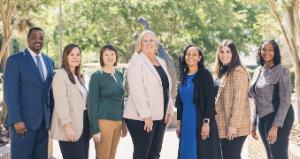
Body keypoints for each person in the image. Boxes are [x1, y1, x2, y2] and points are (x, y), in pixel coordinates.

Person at [3, 27, 54, 159]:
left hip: (43, 125)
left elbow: (49, 93)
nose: (38, 40)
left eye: (41, 38)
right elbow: (10, 93)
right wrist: (17, 120)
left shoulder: (49, 62)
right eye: (34, 37)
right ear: (27, 40)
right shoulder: (15, 60)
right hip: (23, 124)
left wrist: (51, 119)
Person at [123, 30, 173, 159]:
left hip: (159, 116)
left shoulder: (161, 61)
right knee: (142, 154)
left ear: (156, 44)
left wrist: (169, 109)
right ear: (140, 44)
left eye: (152, 40)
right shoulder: (136, 61)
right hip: (140, 117)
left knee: (155, 154)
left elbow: (165, 87)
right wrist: (146, 116)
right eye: (145, 40)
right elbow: (136, 90)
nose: (149, 43)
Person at [249, 40, 294, 159]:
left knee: (278, 155)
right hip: (262, 117)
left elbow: (285, 101)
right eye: (264, 49)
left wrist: (275, 126)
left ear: (275, 52)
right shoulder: (258, 71)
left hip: (279, 117)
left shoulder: (282, 71)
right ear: (260, 51)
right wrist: (254, 123)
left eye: (270, 50)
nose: (266, 52)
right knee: (270, 154)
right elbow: (256, 99)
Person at [175, 44, 222, 159]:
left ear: (199, 58)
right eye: (188, 54)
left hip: (200, 121)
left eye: (194, 54)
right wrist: (178, 122)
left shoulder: (204, 75)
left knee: (201, 153)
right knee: (186, 153)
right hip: (186, 123)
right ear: (184, 56)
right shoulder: (183, 76)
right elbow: (180, 103)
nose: (191, 57)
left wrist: (206, 123)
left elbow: (210, 100)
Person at [50, 44, 89, 159]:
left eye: (78, 54)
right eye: (72, 54)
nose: (75, 57)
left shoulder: (78, 77)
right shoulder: (60, 75)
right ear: (65, 57)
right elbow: (61, 102)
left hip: (83, 124)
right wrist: (67, 126)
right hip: (70, 125)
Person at [213, 40, 251, 159]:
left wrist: (233, 125)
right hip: (222, 124)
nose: (224, 55)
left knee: (231, 156)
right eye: (222, 52)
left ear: (234, 53)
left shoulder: (238, 71)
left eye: (228, 51)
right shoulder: (221, 71)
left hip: (234, 126)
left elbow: (238, 100)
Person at [88, 44, 126, 159]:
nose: (110, 57)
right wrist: (95, 129)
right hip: (103, 121)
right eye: (106, 54)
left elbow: (121, 101)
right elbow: (92, 104)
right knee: (102, 156)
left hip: (118, 122)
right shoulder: (96, 76)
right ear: (101, 57)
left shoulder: (119, 74)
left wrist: (123, 123)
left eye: (112, 54)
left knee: (112, 156)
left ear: (116, 56)